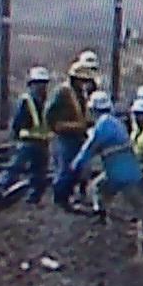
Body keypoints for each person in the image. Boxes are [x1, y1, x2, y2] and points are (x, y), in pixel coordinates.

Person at [72, 91, 143, 222]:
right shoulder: (116, 122)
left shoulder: (102, 124)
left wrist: (77, 163)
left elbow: (89, 147)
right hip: (129, 168)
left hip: (117, 171)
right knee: (103, 189)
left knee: (103, 189)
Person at [0, 65, 53, 203]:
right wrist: (15, 135)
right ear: (31, 84)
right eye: (38, 84)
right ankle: (1, 186)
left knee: (39, 172)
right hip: (27, 141)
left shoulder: (47, 101)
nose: (41, 87)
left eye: (43, 84)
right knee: (16, 165)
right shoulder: (25, 100)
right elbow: (17, 121)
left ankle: (34, 197)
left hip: (42, 142)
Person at [48, 54, 100, 207]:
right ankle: (60, 197)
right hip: (64, 134)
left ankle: (67, 195)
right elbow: (49, 112)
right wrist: (55, 126)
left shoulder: (79, 93)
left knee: (75, 168)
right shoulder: (63, 91)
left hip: (76, 133)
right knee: (65, 167)